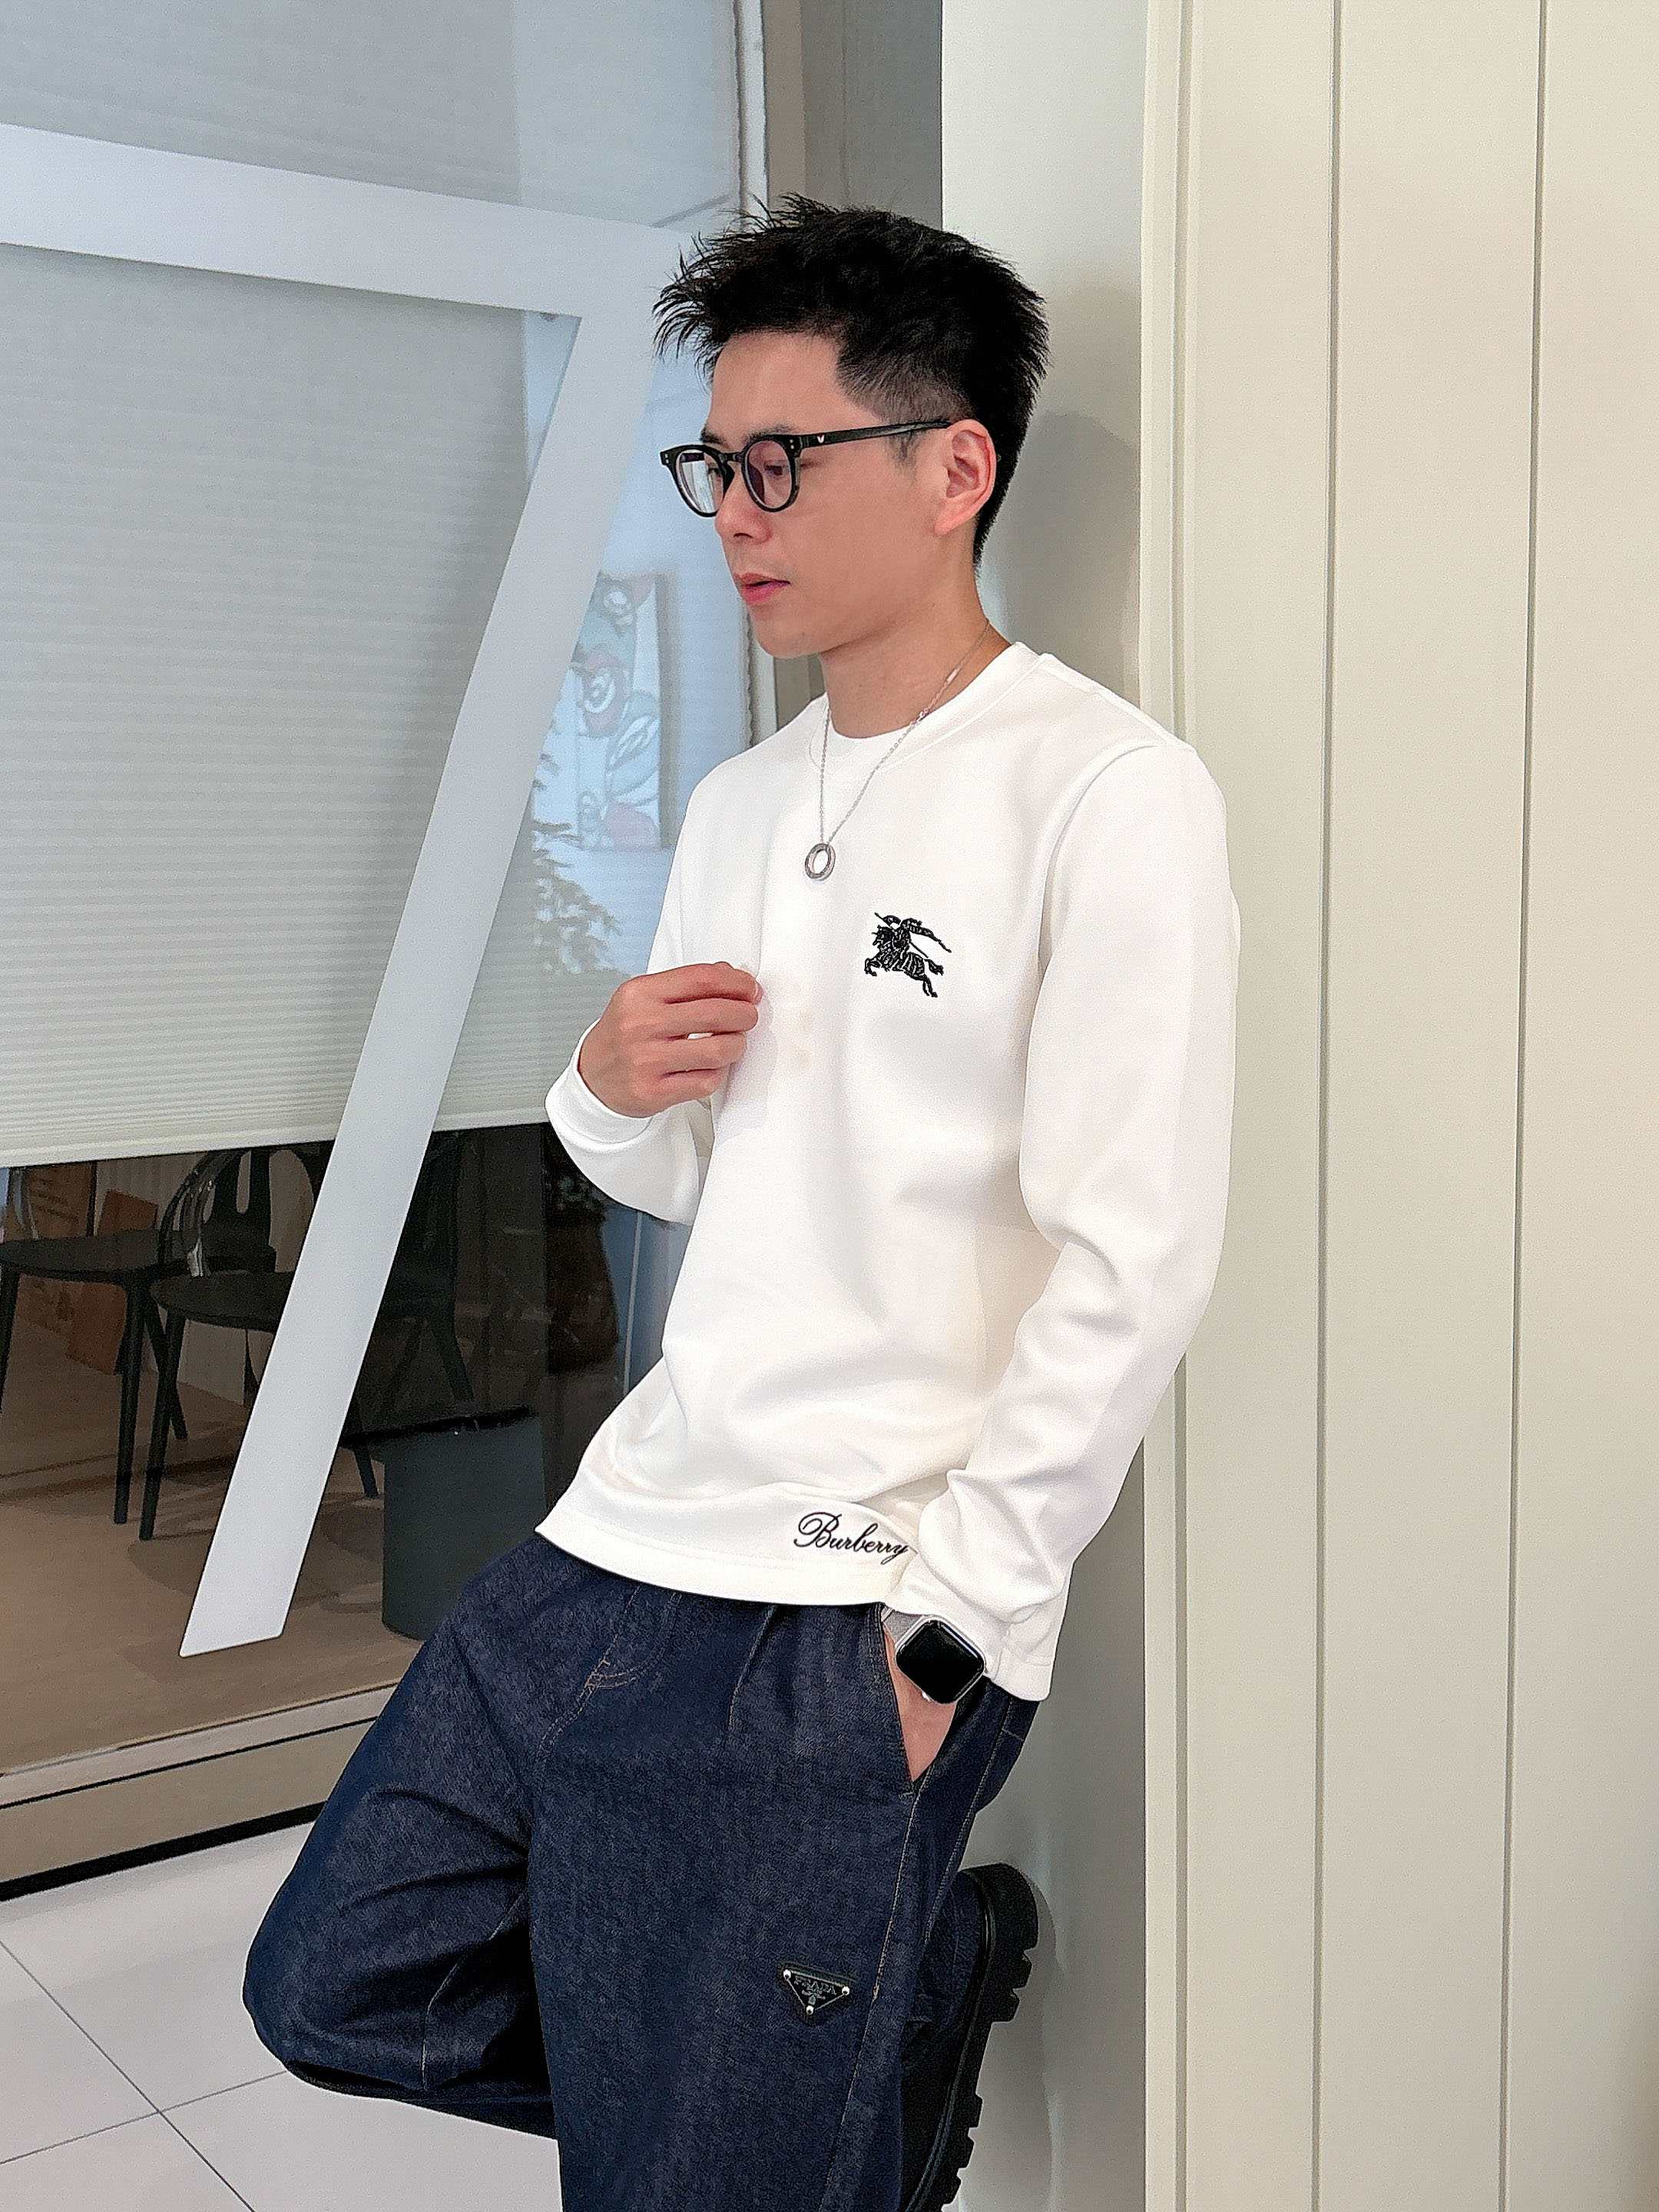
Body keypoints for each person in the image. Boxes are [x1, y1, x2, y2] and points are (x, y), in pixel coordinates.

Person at [243, 193, 1240, 2212]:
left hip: (853, 1597)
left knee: (698, 2182)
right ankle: (882, 2041)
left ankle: (828, 2079)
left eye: (785, 462)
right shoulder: (737, 802)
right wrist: (603, 1087)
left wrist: (949, 1640)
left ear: (955, 469)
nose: (736, 515)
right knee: (333, 1979)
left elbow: (1134, 1259)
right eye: (717, 468)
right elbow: (690, 1170)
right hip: (620, 1536)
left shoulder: (1103, 792)